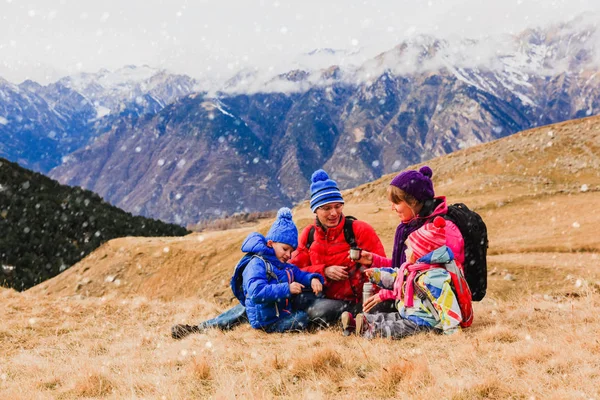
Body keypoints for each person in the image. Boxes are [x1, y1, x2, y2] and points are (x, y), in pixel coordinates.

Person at [339, 165, 468, 336]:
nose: (392, 207)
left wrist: (386, 294)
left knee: (386, 316)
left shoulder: (439, 233)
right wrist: (373, 262)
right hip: (410, 300)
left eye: (396, 202)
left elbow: (432, 284)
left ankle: (370, 329)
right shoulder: (408, 228)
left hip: (425, 309)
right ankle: (359, 324)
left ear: (413, 202)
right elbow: (404, 270)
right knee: (377, 311)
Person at [171, 208, 324, 338]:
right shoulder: (257, 263)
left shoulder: (284, 265)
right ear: (270, 243)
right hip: (268, 320)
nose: (289, 255)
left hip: (273, 312)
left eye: (291, 251)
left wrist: (312, 279)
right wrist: (287, 289)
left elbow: (299, 274)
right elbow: (257, 292)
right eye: (285, 249)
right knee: (302, 319)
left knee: (238, 313)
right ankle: (197, 329)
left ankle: (200, 328)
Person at [289, 169, 389, 326]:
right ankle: (354, 318)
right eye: (326, 208)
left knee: (384, 306)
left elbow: (385, 269)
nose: (334, 213)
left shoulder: (360, 230)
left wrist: (369, 265)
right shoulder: (309, 234)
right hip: (330, 302)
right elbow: (294, 271)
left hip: (365, 300)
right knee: (316, 310)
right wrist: (324, 270)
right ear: (315, 210)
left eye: (338, 206)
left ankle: (357, 318)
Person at [342, 216, 465, 338]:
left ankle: (371, 329)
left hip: (426, 322)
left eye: (409, 249)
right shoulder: (414, 270)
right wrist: (378, 275)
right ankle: (359, 322)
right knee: (389, 317)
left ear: (420, 253)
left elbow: (447, 304)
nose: (406, 252)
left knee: (397, 327)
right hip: (410, 314)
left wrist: (452, 329)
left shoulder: (433, 278)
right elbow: (396, 276)